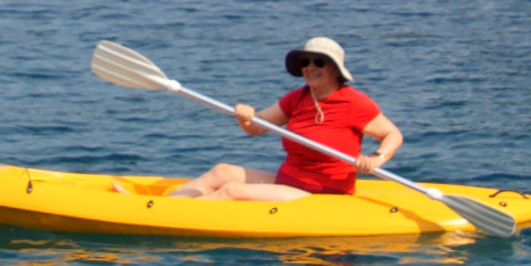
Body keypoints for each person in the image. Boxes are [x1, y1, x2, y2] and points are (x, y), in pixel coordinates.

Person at [167, 37, 402, 203]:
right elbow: (255, 128)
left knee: (230, 190)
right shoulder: (297, 98)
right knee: (222, 172)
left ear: (334, 69)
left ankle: (170, 214)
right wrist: (245, 116)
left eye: (318, 62)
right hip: (288, 180)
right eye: (305, 62)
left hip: (322, 192)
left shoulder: (353, 102)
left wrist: (375, 159)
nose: (310, 68)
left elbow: (392, 135)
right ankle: (161, 206)